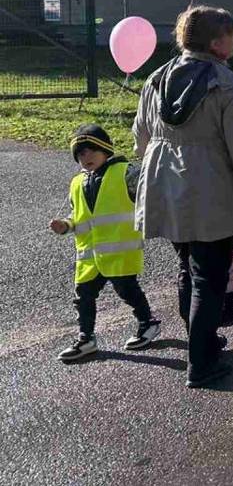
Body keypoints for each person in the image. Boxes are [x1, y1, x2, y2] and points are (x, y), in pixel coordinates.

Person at [134, 5, 233, 389]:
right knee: (210, 277)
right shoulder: (230, 86)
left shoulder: (155, 80)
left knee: (189, 268)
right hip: (211, 189)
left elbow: (141, 137)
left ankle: (205, 342)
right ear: (217, 42)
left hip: (167, 188)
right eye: (231, 34)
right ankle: (202, 362)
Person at [51, 125, 160, 363]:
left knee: (127, 290)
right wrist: (65, 225)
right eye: (80, 154)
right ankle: (86, 338)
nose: (86, 157)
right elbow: (77, 215)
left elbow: (151, 192)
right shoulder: (77, 183)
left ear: (106, 149)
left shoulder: (126, 172)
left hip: (120, 252)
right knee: (83, 297)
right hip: (89, 258)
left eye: (91, 150)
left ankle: (148, 323)